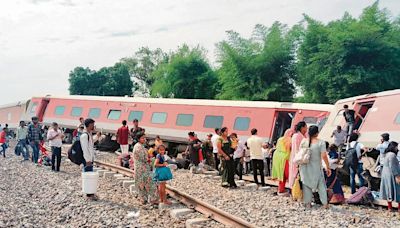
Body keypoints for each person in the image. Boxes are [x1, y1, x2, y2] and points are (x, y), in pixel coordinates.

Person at [299, 126, 331, 208]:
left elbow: (300, 154)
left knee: (306, 184)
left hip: (304, 167)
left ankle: (308, 203)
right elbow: (324, 155)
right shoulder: (321, 142)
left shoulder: (303, 141)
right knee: (321, 186)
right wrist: (328, 167)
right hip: (316, 168)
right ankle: (325, 204)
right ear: (317, 133)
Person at [133, 133, 158, 205]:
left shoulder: (140, 146)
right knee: (148, 183)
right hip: (142, 169)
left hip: (142, 168)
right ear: (138, 139)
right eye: (142, 138)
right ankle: (151, 199)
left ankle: (144, 199)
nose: (144, 139)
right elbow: (144, 158)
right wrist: (151, 158)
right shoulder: (138, 147)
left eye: (144, 138)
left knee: (142, 183)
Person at [380, 141, 400, 212]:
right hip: (391, 174)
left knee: (388, 190)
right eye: (397, 146)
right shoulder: (392, 155)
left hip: (385, 173)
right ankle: (399, 208)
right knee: (397, 190)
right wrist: (397, 176)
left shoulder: (387, 154)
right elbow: (393, 166)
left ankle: (390, 207)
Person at [81, 118, 98, 200]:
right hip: (87, 160)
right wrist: (88, 160)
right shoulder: (84, 135)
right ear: (89, 125)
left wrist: (97, 136)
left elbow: (90, 143)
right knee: (87, 177)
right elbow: (85, 149)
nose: (93, 126)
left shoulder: (88, 134)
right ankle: (88, 194)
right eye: (92, 124)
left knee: (89, 176)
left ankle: (90, 193)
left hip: (89, 159)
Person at [272, 129, 293, 195]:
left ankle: (281, 189)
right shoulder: (290, 140)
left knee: (281, 175)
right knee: (290, 175)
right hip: (286, 158)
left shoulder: (280, 139)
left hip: (277, 157)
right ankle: (292, 190)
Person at [289, 121, 307, 189]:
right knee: (296, 175)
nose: (306, 129)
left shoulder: (298, 135)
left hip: (298, 158)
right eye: (306, 127)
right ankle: (296, 191)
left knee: (296, 175)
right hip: (298, 159)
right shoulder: (298, 136)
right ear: (302, 128)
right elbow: (297, 149)